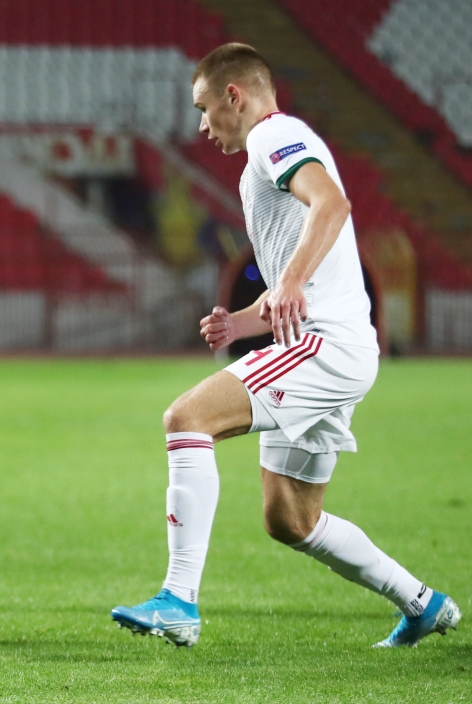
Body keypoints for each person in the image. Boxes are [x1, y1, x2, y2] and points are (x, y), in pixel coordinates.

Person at [111, 44, 461, 648]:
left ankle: (178, 600)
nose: (202, 126)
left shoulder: (273, 136)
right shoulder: (270, 155)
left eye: (203, 108)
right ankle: (423, 603)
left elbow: (333, 205)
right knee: (290, 519)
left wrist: (292, 280)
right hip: (335, 348)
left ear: (234, 96)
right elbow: (294, 283)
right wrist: (240, 323)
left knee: (186, 419)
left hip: (324, 346)